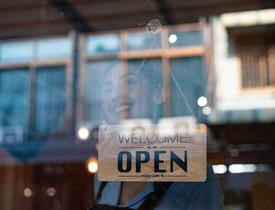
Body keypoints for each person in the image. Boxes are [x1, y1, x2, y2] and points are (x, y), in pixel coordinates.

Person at [90, 60, 224, 209]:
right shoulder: (104, 174)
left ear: (158, 93)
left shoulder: (196, 175)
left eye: (129, 82)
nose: (116, 95)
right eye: (108, 89)